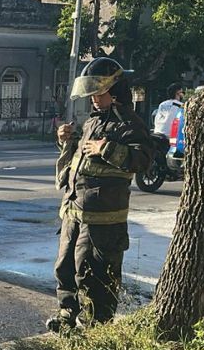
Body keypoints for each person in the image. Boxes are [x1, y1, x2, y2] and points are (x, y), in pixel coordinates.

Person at [49, 57, 152, 333]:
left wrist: (107, 149)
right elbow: (80, 163)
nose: (94, 98)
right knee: (66, 267)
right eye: (91, 93)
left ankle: (95, 330)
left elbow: (143, 160)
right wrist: (67, 140)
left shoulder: (130, 124)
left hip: (103, 220)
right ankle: (67, 316)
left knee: (93, 274)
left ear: (115, 90)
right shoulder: (93, 122)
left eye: (99, 92)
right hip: (74, 212)